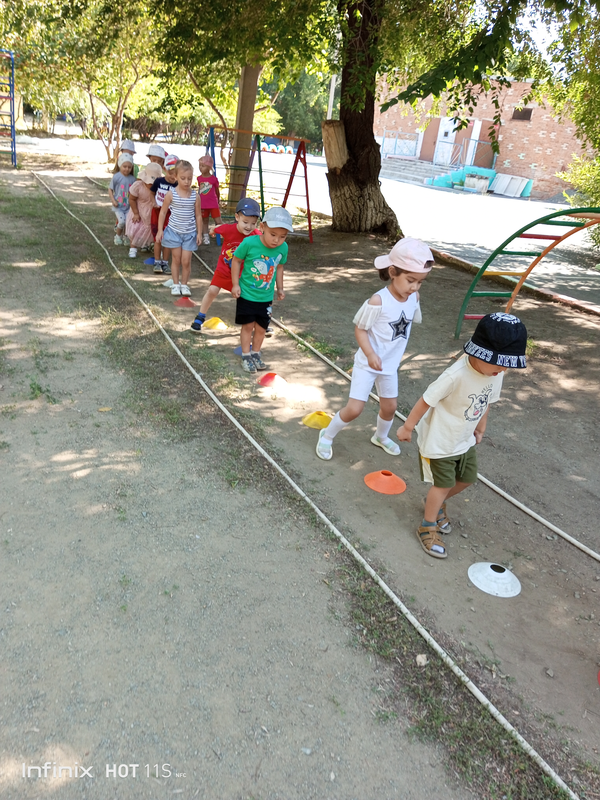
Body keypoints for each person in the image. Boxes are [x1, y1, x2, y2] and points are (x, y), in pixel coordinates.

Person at [396, 312, 528, 560]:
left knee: (467, 478)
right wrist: (407, 427)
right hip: (440, 440)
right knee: (443, 484)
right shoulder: (454, 376)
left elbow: (487, 400)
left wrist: (481, 426)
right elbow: (426, 399)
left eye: (507, 365)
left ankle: (436, 503)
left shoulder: (495, 373)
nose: (502, 369)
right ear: (479, 353)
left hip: (464, 439)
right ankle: (427, 525)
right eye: (499, 364)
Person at [316, 238, 433, 462]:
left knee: (390, 407)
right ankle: (327, 435)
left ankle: (380, 436)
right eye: (410, 280)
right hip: (367, 364)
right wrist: (370, 354)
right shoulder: (378, 301)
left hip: (389, 365)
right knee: (354, 409)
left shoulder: (414, 298)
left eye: (420, 282)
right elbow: (360, 329)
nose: (415, 287)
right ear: (393, 272)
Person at [230, 206, 292, 373]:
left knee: (262, 327)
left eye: (283, 236)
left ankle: (256, 353)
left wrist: (280, 288)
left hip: (266, 297)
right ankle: (246, 355)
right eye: (273, 234)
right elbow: (236, 260)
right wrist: (235, 284)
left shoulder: (283, 248)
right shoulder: (249, 243)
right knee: (248, 326)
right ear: (262, 227)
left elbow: (279, 267)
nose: (277, 240)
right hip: (247, 294)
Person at [190, 197, 261, 333]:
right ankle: (200, 316)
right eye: (245, 222)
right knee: (212, 290)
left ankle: (260, 322)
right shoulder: (228, 229)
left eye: (253, 223)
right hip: (224, 270)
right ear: (237, 217)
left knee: (250, 298)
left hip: (242, 274)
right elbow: (216, 229)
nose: (249, 227)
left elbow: (265, 240)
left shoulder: (256, 235)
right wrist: (213, 230)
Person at [156, 160, 201, 297]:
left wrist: (199, 233)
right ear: (176, 177)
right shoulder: (171, 194)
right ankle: (176, 284)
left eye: (189, 178)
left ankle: (185, 284)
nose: (187, 182)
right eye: (183, 178)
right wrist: (160, 230)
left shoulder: (195, 196)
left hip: (189, 234)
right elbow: (163, 212)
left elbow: (198, 215)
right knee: (176, 259)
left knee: (186, 261)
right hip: (174, 232)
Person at [125, 163, 162, 258]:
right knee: (135, 230)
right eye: (150, 183)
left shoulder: (159, 188)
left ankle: (153, 247)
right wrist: (136, 213)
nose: (151, 185)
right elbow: (132, 199)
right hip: (138, 212)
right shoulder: (138, 186)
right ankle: (133, 248)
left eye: (153, 183)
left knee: (152, 231)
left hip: (151, 214)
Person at [150, 153, 179, 274]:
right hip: (158, 212)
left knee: (168, 239)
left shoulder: (177, 185)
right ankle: (157, 262)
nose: (173, 176)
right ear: (165, 169)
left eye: (176, 174)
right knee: (158, 238)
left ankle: (165, 262)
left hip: (170, 214)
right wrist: (153, 202)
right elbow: (152, 192)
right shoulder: (158, 181)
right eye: (171, 173)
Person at [109, 153, 136, 245]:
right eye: (124, 166)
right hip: (118, 206)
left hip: (128, 207)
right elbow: (110, 189)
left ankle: (126, 237)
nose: (127, 169)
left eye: (129, 167)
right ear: (120, 165)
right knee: (121, 221)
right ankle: (118, 236)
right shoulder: (116, 177)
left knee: (128, 222)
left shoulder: (132, 179)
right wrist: (113, 200)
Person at [197, 155, 222, 244]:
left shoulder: (213, 179)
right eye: (200, 165)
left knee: (218, 221)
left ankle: (223, 234)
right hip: (203, 204)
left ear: (209, 167)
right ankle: (205, 236)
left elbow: (217, 191)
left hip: (213, 203)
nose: (200, 168)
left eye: (203, 166)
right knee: (204, 221)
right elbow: (200, 190)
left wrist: (218, 200)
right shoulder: (199, 178)